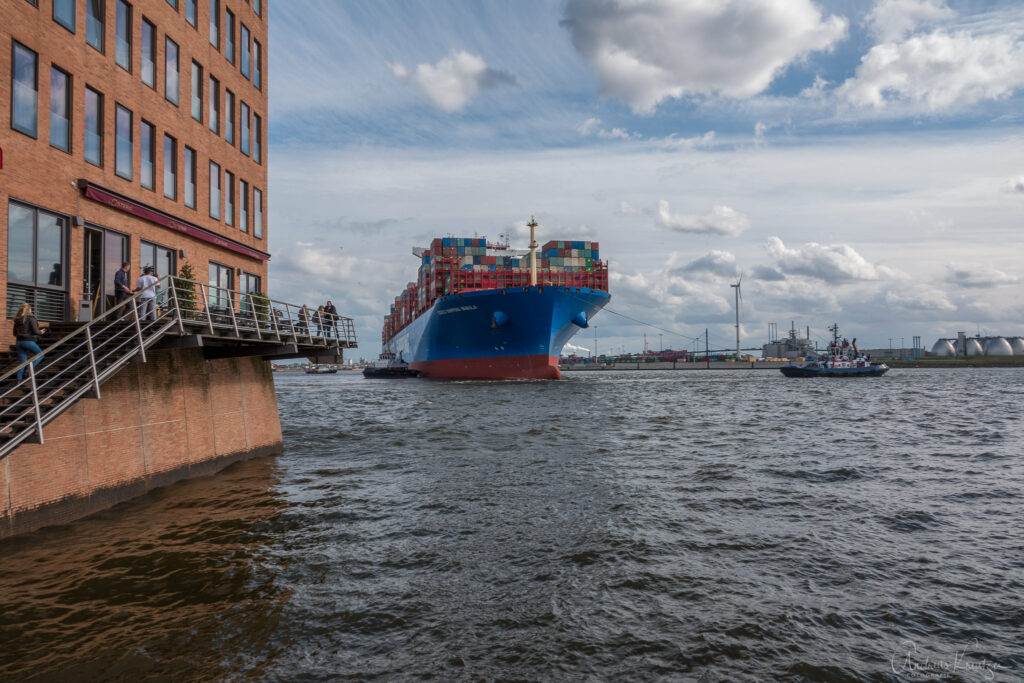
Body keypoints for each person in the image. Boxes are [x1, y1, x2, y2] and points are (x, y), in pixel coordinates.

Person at [13, 303, 46, 381]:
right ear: (29, 309)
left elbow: (14, 333)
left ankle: (19, 380)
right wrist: (41, 332)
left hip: (19, 342)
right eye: (31, 308)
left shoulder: (17, 320)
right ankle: (29, 369)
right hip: (28, 341)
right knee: (41, 355)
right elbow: (35, 331)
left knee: (22, 362)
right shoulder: (31, 318)